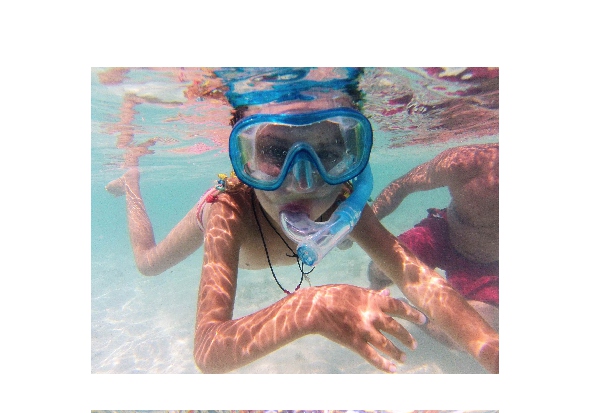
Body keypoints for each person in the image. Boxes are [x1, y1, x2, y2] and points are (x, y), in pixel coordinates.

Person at [105, 75, 499, 374]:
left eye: (327, 153)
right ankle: (131, 180)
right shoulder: (229, 212)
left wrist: (488, 347)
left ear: (350, 156)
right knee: (148, 263)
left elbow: (417, 279)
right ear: (245, 158)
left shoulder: (344, 203)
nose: (304, 183)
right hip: (220, 210)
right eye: (276, 152)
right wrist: (311, 307)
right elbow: (209, 350)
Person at [368, 144, 499, 341]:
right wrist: (359, 225)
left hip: (488, 266)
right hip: (444, 235)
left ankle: (414, 315)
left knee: (474, 336)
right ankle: (371, 300)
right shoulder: (464, 162)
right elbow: (403, 184)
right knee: (380, 266)